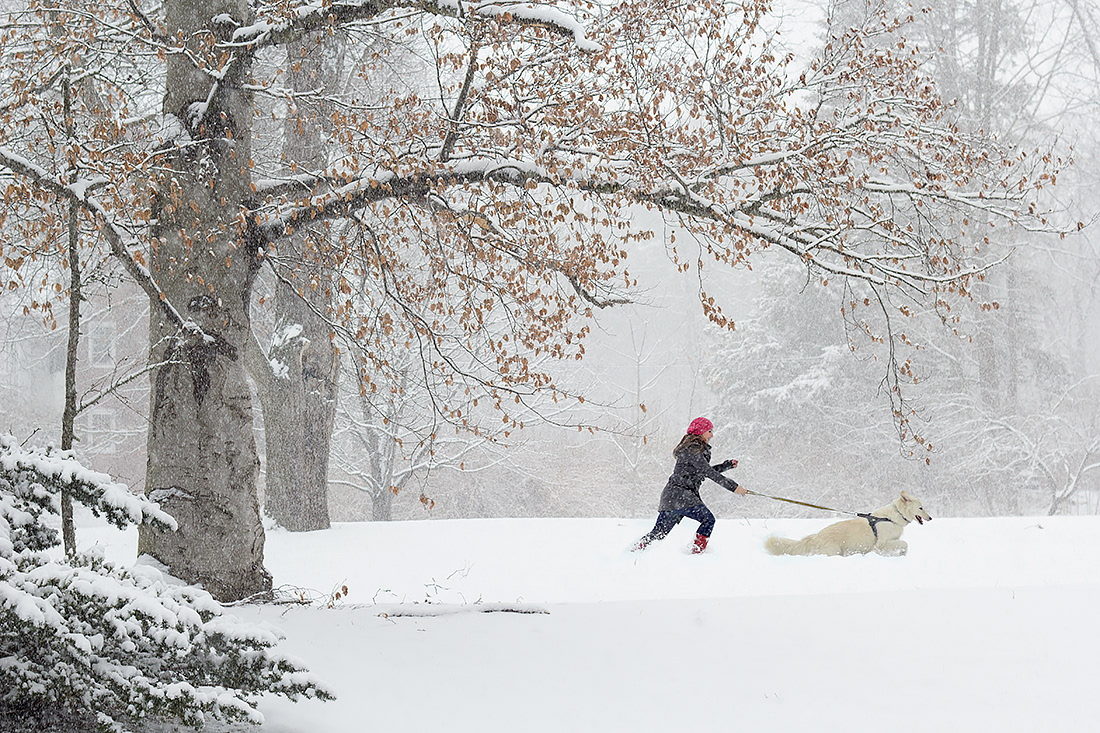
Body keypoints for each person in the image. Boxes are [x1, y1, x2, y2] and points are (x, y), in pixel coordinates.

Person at [632, 417, 747, 554]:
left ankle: (634, 552)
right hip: (682, 495)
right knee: (708, 520)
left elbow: (703, 471)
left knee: (658, 534)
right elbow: (708, 472)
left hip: (672, 497)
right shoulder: (692, 450)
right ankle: (696, 554)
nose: (711, 435)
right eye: (709, 431)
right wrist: (734, 488)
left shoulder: (692, 450)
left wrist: (726, 465)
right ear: (700, 432)